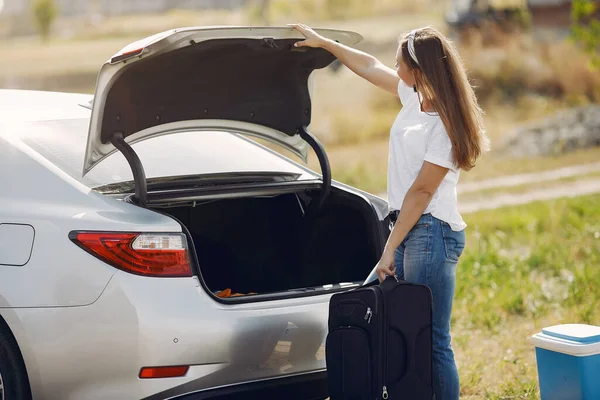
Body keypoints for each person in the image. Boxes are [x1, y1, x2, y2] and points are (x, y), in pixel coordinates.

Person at [290, 23, 489, 400]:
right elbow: (368, 66)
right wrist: (326, 45)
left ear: (419, 70)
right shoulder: (414, 97)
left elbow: (422, 192)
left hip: (430, 232)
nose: (394, 69)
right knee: (411, 332)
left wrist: (388, 249)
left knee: (433, 339)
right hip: (413, 229)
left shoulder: (445, 124)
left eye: (400, 64)